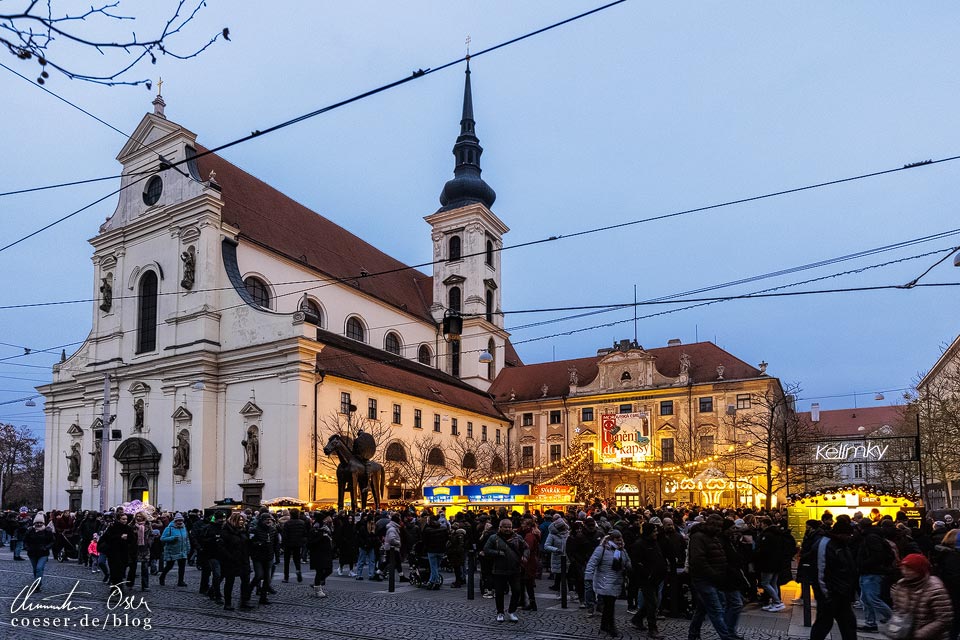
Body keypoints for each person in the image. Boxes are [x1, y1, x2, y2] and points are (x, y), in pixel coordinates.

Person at [808, 515, 858, 640]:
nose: (850, 538)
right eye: (848, 535)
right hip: (830, 595)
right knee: (824, 624)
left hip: (841, 593)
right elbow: (820, 572)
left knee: (848, 624)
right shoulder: (826, 545)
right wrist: (825, 595)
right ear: (841, 534)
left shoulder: (841, 545)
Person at [891, 553, 954, 640]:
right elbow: (897, 610)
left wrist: (919, 634)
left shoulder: (935, 589)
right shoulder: (901, 585)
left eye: (909, 569)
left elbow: (944, 619)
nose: (905, 572)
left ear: (920, 571)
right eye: (903, 569)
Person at [586, 529, 631, 638]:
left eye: (620, 539)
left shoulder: (622, 550)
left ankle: (604, 625)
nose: (619, 541)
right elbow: (592, 562)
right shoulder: (601, 549)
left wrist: (629, 567)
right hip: (604, 581)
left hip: (616, 581)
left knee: (608, 605)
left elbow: (627, 562)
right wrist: (588, 577)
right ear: (611, 539)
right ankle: (611, 627)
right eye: (617, 539)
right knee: (609, 605)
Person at [855, 518, 897, 632]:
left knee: (872, 598)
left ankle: (893, 619)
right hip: (870, 571)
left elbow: (877, 555)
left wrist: (864, 564)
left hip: (872, 571)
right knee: (866, 598)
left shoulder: (870, 538)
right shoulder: (873, 536)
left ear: (861, 526)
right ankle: (870, 623)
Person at [483, 518, 527, 623]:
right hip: (499, 570)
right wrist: (497, 553)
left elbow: (526, 547)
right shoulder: (494, 538)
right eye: (505, 527)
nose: (508, 529)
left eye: (509, 527)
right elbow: (486, 549)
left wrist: (525, 556)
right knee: (499, 592)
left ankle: (511, 611)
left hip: (515, 569)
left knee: (517, 591)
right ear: (500, 527)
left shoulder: (517, 537)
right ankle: (500, 612)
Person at [630, 522, 667, 639]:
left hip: (656, 577)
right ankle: (653, 629)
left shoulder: (654, 542)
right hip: (646, 579)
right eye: (654, 531)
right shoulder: (639, 544)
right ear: (648, 532)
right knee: (652, 603)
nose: (656, 533)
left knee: (651, 602)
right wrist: (647, 574)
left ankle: (637, 619)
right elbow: (636, 563)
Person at [220, 512, 253, 611]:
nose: (242, 522)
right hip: (231, 560)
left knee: (246, 581)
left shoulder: (243, 531)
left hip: (243, 559)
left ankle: (244, 601)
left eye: (243, 520)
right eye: (240, 520)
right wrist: (229, 556)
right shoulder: (226, 531)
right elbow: (222, 547)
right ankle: (228, 603)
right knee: (230, 581)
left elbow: (247, 544)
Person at [249, 510, 278, 603]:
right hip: (258, 556)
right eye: (266, 520)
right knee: (258, 575)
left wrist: (276, 555)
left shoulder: (273, 530)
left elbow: (276, 543)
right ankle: (248, 592)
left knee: (267, 578)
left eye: (270, 519)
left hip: (269, 556)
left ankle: (263, 597)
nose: (268, 521)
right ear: (262, 520)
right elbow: (250, 543)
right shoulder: (255, 529)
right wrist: (259, 544)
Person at [102, 512, 134, 590]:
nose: (125, 521)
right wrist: (120, 537)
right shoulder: (112, 527)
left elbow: (132, 539)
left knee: (120, 571)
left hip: (124, 552)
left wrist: (128, 537)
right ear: (119, 519)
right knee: (114, 571)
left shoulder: (128, 528)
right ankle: (115, 586)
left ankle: (119, 586)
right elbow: (107, 538)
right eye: (123, 519)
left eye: (126, 519)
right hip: (113, 552)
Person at [24, 513, 54, 591]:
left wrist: (46, 547)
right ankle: (36, 582)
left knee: (39, 568)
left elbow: (52, 541)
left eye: (40, 522)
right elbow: (25, 540)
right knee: (35, 569)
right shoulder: (30, 530)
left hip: (43, 553)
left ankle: (37, 585)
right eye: (37, 522)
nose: (39, 524)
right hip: (32, 553)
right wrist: (27, 547)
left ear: (43, 523)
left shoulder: (47, 531)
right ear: (34, 523)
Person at [158, 512, 190, 587]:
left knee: (182, 567)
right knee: (169, 566)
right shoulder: (169, 528)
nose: (180, 522)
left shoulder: (184, 528)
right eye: (178, 521)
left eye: (181, 521)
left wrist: (188, 548)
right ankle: (162, 577)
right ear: (175, 521)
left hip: (182, 550)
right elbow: (162, 538)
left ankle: (180, 581)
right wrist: (172, 538)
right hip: (172, 551)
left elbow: (187, 539)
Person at [126, 511, 154, 592]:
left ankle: (145, 585)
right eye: (137, 516)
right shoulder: (131, 525)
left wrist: (149, 543)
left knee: (145, 567)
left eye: (140, 516)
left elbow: (151, 535)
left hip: (144, 549)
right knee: (132, 567)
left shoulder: (148, 525)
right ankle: (130, 583)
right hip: (134, 548)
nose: (138, 518)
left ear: (143, 517)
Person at [308, 515, 334, 597]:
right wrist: (321, 536)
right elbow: (311, 542)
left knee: (329, 570)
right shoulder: (315, 529)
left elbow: (330, 537)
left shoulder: (326, 528)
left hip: (326, 553)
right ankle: (317, 590)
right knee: (319, 571)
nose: (327, 520)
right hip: (318, 554)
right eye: (326, 519)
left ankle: (318, 583)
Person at [422, 515, 448, 590]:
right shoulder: (443, 529)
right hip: (441, 550)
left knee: (434, 567)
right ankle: (432, 582)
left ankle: (435, 582)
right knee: (436, 567)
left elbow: (424, 540)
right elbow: (446, 539)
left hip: (431, 550)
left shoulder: (427, 530)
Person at [281, 508, 308, 583]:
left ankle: (286, 577)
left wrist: (283, 544)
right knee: (297, 560)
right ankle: (298, 570)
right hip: (298, 543)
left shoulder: (287, 523)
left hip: (288, 544)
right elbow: (304, 533)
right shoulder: (302, 523)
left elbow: (284, 535)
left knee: (287, 561)